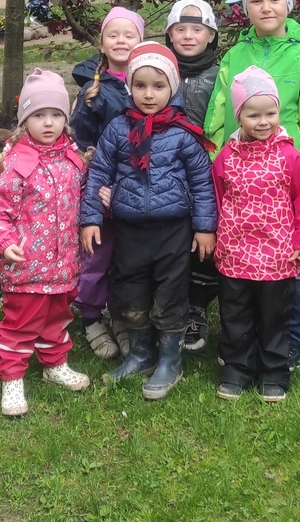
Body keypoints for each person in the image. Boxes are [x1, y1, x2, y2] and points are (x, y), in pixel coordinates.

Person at [204, 0, 300, 370]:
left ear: (288, 3)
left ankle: (299, 341)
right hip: (241, 179)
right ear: (245, 7)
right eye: (256, 0)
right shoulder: (234, 57)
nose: (266, 7)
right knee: (242, 259)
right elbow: (217, 117)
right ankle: (247, 337)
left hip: (286, 180)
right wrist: (218, 169)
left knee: (295, 263)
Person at [81, 41, 218, 401]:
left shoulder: (183, 134)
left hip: (173, 231)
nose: (148, 94)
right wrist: (91, 218)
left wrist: (205, 227)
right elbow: (98, 175)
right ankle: (141, 353)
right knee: (130, 290)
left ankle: (170, 360)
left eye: (158, 86)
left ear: (172, 87)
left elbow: (203, 184)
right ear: (129, 86)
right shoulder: (117, 130)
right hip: (129, 229)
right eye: (140, 85)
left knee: (171, 293)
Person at [0, 68, 90, 416]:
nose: (48, 123)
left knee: (58, 318)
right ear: (24, 120)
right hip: (26, 266)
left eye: (56, 115)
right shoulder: (17, 164)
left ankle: (54, 363)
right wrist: (3, 241)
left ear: (66, 119)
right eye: (39, 115)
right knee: (20, 323)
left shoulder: (73, 160)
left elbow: (84, 199)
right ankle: (12, 377)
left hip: (64, 265)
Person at [212, 66, 300, 401]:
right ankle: (236, 369)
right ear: (238, 116)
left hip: (277, 255)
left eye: (270, 114)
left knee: (275, 316)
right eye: (253, 115)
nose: (263, 122)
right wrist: (214, 234)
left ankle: (274, 371)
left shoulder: (289, 156)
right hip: (235, 254)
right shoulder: (226, 157)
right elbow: (216, 197)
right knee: (235, 314)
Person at [70, 6, 144, 361]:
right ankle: (90, 316)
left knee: (126, 258)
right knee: (97, 254)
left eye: (129, 35)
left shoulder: (150, 82)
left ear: (141, 42)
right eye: (113, 35)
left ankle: (120, 316)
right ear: (101, 43)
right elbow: (82, 141)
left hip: (137, 188)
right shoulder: (93, 90)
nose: (121, 41)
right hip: (101, 187)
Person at [165, 0, 220, 352]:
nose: (188, 36)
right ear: (169, 34)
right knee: (171, 241)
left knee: (205, 240)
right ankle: (168, 307)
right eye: (180, 29)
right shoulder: (157, 70)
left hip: (207, 171)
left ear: (211, 35)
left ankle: (196, 308)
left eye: (197, 29)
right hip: (166, 170)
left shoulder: (221, 74)